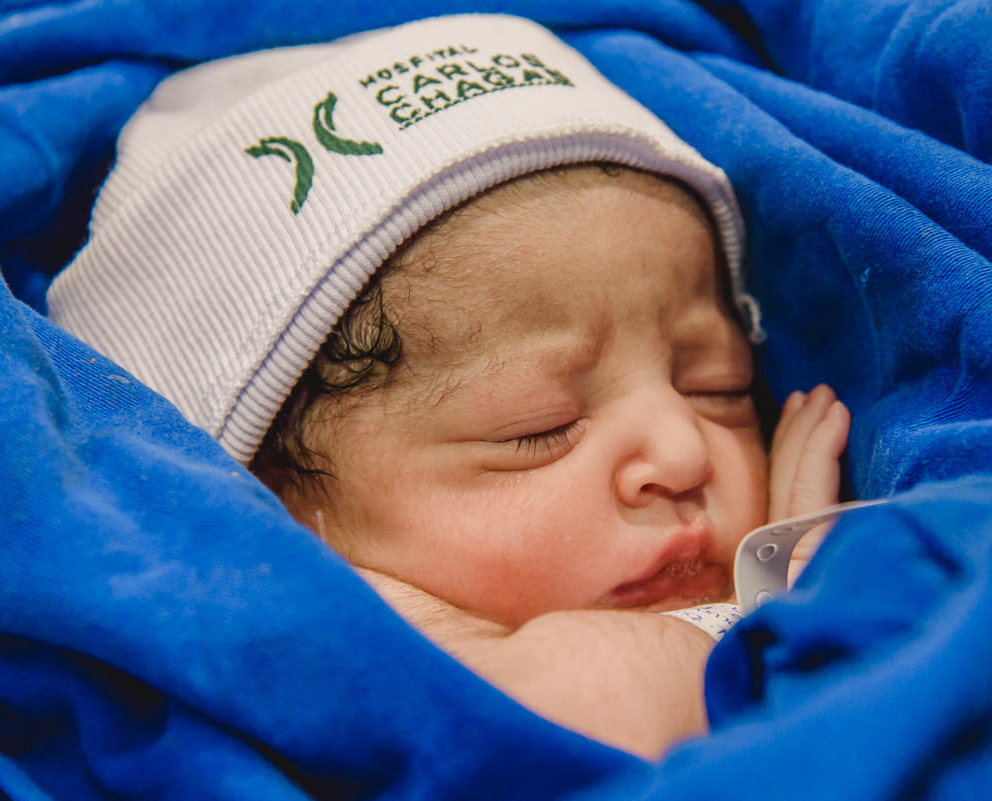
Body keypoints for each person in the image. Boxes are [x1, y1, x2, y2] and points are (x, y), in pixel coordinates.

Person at [48, 14, 850, 757]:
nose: (682, 451)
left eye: (718, 385)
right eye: (538, 428)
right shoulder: (326, 657)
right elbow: (585, 716)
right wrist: (787, 619)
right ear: (285, 511)